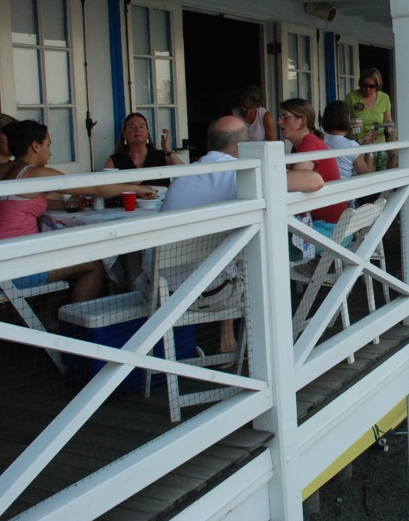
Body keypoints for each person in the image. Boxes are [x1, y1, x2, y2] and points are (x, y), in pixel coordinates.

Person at [161, 115, 323, 353]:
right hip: (204, 294)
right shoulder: (238, 174)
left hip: (159, 290)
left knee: (235, 250)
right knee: (267, 265)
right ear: (245, 147)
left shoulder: (186, 173)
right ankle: (274, 352)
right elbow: (315, 180)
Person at [0, 120, 156, 302]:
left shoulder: (0, 170)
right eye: (48, 145)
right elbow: (96, 189)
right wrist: (136, 188)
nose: (50, 152)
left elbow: (17, 205)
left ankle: (52, 314)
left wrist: (66, 205)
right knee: (94, 264)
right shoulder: (36, 174)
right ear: (35, 146)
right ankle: (76, 317)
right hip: (18, 268)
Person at [278, 98, 348, 231]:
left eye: (285, 117)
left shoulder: (309, 144)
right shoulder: (300, 146)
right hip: (325, 222)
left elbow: (295, 189)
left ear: (302, 120)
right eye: (280, 117)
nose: (279, 121)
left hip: (329, 226)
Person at [103, 113, 184, 181]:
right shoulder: (115, 160)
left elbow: (184, 176)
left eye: (141, 126)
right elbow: (104, 187)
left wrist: (168, 149)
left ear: (147, 132)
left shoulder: (161, 156)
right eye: (132, 127)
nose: (137, 130)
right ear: (124, 133)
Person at [321, 100, 374, 179]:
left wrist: (360, 141)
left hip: (323, 184)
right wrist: (369, 152)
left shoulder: (320, 140)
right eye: (349, 116)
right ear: (344, 120)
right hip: (343, 185)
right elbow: (366, 174)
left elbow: (337, 143)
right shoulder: (352, 146)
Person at [344, 67, 393, 144]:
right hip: (357, 143)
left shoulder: (384, 98)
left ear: (377, 86)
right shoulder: (351, 97)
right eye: (365, 85)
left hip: (378, 142)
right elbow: (343, 123)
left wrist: (390, 131)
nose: (367, 89)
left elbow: (388, 122)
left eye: (372, 86)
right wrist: (351, 125)